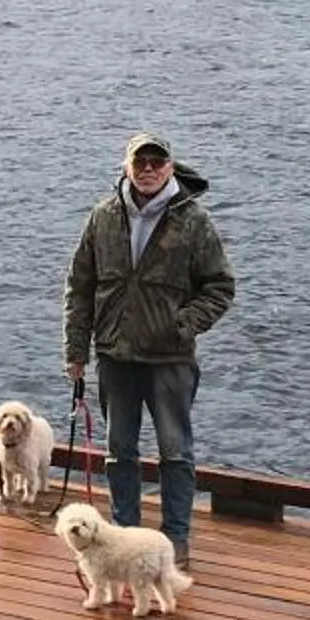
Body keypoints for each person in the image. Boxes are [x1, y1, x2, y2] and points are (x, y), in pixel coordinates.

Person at [63, 132, 236, 565]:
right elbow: (80, 287)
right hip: (115, 356)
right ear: (126, 166)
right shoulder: (103, 216)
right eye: (140, 162)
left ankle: (175, 539)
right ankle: (124, 536)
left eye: (156, 163)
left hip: (170, 360)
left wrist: (182, 325)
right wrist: (76, 351)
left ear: (170, 168)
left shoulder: (194, 221)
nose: (148, 170)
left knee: (175, 453)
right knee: (119, 453)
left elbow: (220, 287)